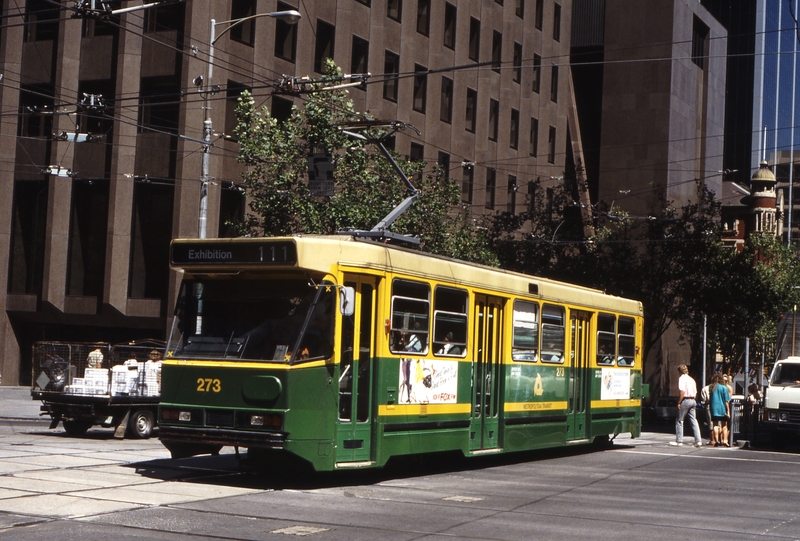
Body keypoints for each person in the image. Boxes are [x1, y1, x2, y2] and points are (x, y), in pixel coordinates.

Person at [671, 364, 703, 447]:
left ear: (679, 372)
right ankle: (698, 440)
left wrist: (679, 402)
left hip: (685, 400)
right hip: (693, 400)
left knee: (679, 420)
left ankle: (679, 441)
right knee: (694, 420)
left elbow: (682, 391)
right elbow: (695, 392)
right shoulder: (691, 379)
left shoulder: (682, 379)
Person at [708, 372, 731, 447]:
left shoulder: (711, 387)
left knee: (715, 425)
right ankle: (725, 440)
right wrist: (728, 411)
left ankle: (716, 440)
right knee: (724, 425)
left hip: (714, 408)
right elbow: (726, 400)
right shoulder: (724, 388)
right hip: (722, 408)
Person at [699, 380, 714, 445]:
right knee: (719, 423)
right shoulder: (723, 387)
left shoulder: (705, 388)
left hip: (709, 405)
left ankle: (712, 439)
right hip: (720, 405)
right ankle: (719, 439)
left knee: (710, 423)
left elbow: (703, 399)